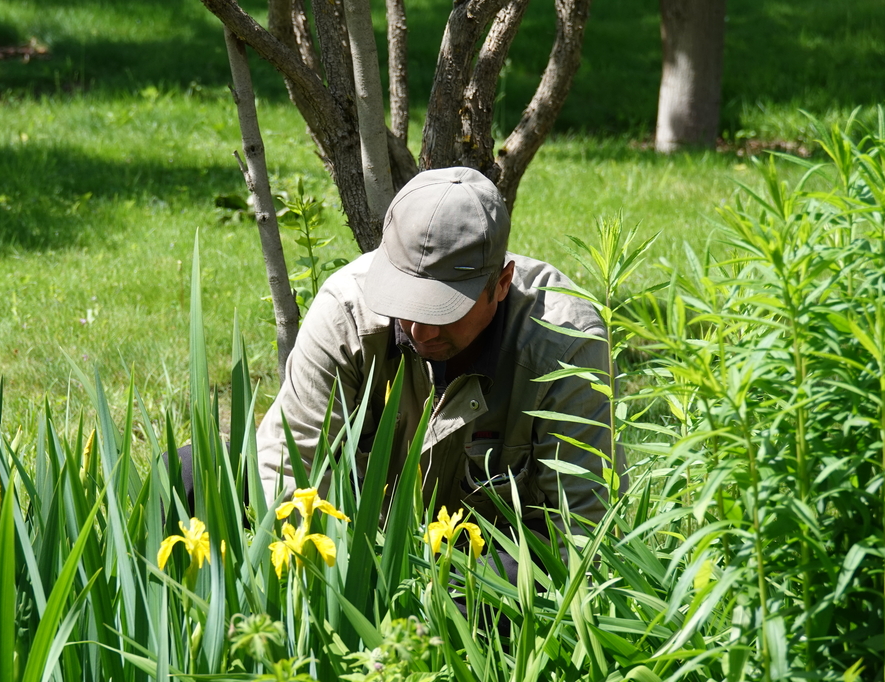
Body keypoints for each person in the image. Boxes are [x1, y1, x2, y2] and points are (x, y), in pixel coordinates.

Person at [254, 167, 624, 571]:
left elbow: (587, 529)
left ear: (502, 283)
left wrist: (454, 585)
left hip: (495, 567)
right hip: (358, 551)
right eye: (405, 301)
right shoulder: (347, 314)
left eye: (444, 310)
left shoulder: (565, 345)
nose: (420, 330)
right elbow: (287, 470)